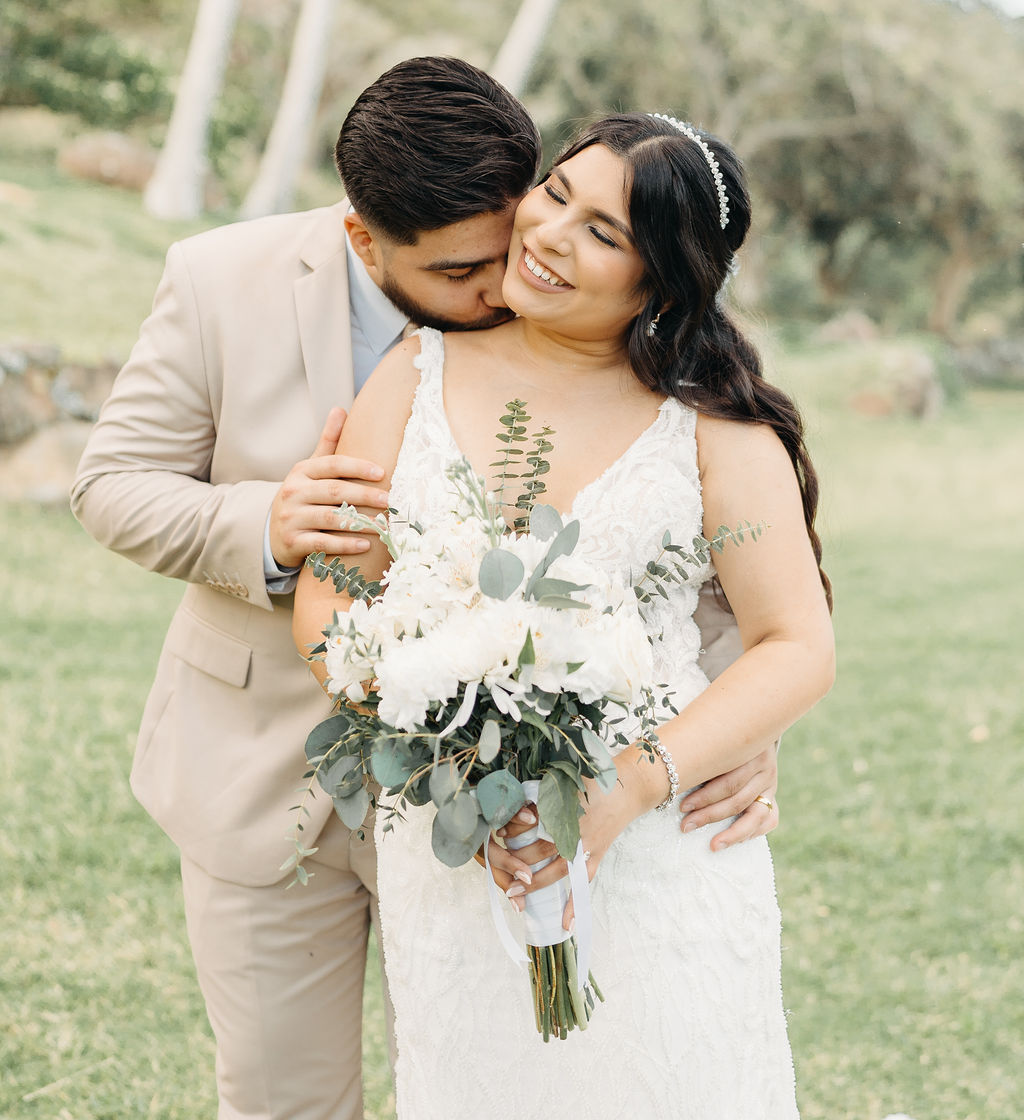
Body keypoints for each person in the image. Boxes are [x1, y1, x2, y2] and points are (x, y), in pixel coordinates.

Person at [71, 61, 778, 1120]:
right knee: (282, 1101)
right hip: (262, 780)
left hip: (528, 811)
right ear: (365, 240)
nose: (508, 286)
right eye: (462, 274)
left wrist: (718, 730)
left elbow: (697, 563)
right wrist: (265, 523)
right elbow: (110, 484)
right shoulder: (221, 280)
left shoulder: (579, 302)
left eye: (524, 232)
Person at [293, 112, 834, 1120]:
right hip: (458, 851)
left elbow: (794, 646)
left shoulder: (715, 427)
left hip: (660, 850)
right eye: (556, 195)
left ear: (661, 279)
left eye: (604, 234)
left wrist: (626, 787)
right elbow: (336, 587)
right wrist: (415, 708)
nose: (547, 235)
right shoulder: (414, 371)